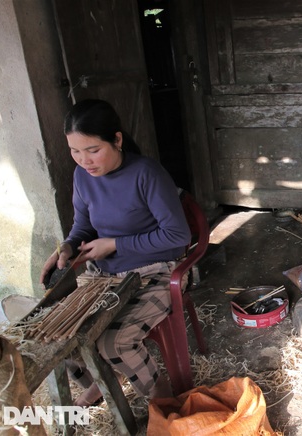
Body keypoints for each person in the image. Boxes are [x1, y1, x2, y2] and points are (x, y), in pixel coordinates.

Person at [40, 99, 191, 405]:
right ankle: (103, 380)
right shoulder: (82, 177)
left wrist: (116, 244)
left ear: (117, 140)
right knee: (57, 337)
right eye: (75, 151)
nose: (84, 161)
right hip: (103, 276)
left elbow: (177, 235)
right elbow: (82, 227)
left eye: (93, 150)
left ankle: (160, 398)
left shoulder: (147, 174)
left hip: (157, 270)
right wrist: (68, 248)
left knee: (113, 343)